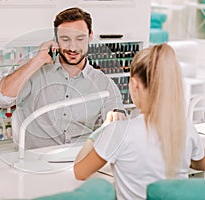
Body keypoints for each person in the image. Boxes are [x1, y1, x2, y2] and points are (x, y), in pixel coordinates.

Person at [73, 43, 205, 199]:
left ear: (134, 84)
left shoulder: (120, 131)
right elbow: (199, 163)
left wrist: (103, 129)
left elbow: (79, 171)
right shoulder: (185, 127)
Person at [0, 7, 125, 149]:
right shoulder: (37, 73)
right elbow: (0, 99)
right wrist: (39, 59)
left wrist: (116, 117)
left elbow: (116, 115)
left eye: (80, 38)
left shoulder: (103, 83)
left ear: (90, 36)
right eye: (65, 39)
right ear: (55, 39)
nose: (73, 47)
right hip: (36, 161)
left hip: (78, 160)